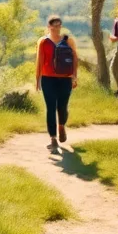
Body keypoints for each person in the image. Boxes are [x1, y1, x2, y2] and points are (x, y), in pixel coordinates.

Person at [35, 15, 79, 151]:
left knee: (63, 106)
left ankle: (61, 126)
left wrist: (74, 76)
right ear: (49, 27)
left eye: (59, 25)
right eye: (54, 26)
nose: (56, 28)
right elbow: (39, 61)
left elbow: (75, 58)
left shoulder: (68, 40)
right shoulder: (43, 41)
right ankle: (53, 138)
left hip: (65, 78)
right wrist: (38, 80)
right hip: (48, 79)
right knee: (50, 108)